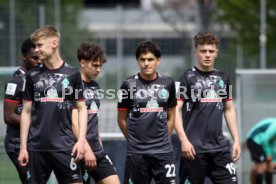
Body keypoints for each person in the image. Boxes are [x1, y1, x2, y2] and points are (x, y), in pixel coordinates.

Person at [17, 25, 87, 184]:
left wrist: (81, 140)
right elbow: (26, 112)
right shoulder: (32, 75)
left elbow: (82, 109)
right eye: (35, 46)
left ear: (54, 43)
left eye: (40, 45)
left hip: (65, 147)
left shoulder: (73, 75)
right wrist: (23, 147)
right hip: (36, 148)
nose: (36, 50)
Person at [175, 32, 241, 184]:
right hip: (193, 150)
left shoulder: (224, 78)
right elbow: (175, 110)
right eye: (203, 51)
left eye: (211, 51)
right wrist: (184, 140)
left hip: (220, 150)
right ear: (195, 52)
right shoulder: (185, 78)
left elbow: (229, 109)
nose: (207, 55)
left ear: (216, 53)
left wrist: (236, 140)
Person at [117, 41, 177, 184]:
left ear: (158, 60)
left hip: (163, 152)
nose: (146, 63)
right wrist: (132, 140)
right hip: (137, 154)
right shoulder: (128, 85)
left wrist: (164, 139)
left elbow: (172, 114)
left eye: (150, 59)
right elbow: (121, 119)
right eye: (142, 60)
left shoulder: (168, 83)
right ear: (138, 61)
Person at [72, 42, 120, 184]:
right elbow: (74, 124)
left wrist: (98, 139)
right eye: (95, 65)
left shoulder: (94, 86)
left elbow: (94, 116)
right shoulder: (72, 85)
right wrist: (86, 150)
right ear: (82, 63)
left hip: (96, 150)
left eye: (100, 66)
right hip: (78, 150)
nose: (98, 70)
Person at [3, 38, 41, 183]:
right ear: (24, 56)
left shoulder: (36, 78)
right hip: (17, 143)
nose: (38, 61)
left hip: (33, 142)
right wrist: (37, 123)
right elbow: (8, 116)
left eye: (40, 58)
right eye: (34, 58)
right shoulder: (16, 81)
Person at [246, 118, 276, 184]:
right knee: (262, 166)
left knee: (268, 166)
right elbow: (265, 139)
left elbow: (271, 144)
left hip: (260, 143)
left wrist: (272, 159)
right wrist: (268, 154)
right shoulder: (275, 126)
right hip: (254, 140)